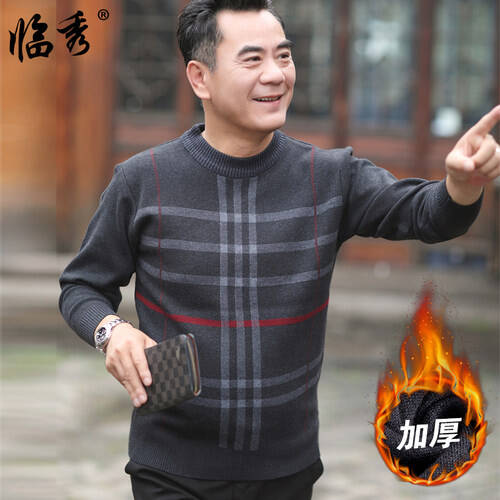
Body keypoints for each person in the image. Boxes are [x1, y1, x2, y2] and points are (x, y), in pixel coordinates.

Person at [58, 0, 500, 498]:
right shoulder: (143, 180)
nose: (275, 74)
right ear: (200, 78)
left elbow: (426, 213)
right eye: (253, 59)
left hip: (287, 470)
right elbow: (81, 286)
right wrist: (111, 331)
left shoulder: (329, 176)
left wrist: (462, 185)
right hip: (170, 468)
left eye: (283, 56)